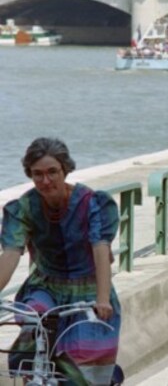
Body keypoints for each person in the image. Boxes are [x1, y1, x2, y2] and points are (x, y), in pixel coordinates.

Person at [0, 138, 122, 384]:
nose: (45, 181)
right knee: (34, 320)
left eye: (52, 172)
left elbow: (100, 250)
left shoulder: (91, 203)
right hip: (45, 286)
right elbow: (11, 254)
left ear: (65, 170)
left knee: (84, 367)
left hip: (88, 289)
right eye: (37, 174)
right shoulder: (24, 207)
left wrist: (102, 298)